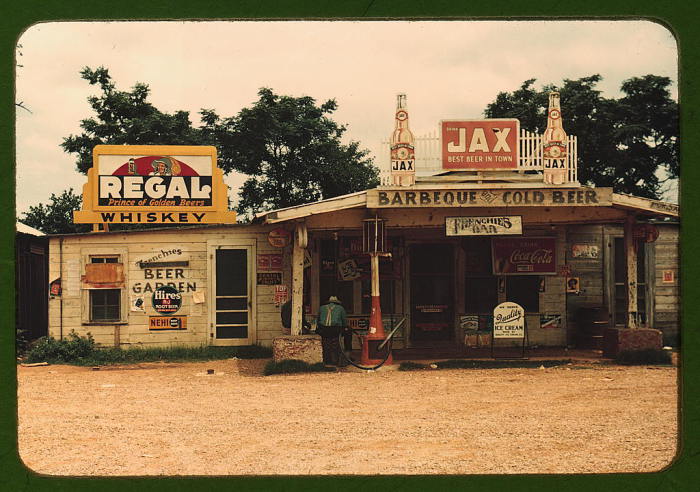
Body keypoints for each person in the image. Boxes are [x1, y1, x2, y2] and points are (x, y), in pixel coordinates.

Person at [316, 296, 347, 366]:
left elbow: (318, 320)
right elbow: (344, 321)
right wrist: (345, 328)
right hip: (335, 329)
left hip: (324, 329)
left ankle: (326, 361)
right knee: (335, 345)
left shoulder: (322, 308)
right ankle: (335, 361)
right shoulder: (340, 308)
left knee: (326, 345)